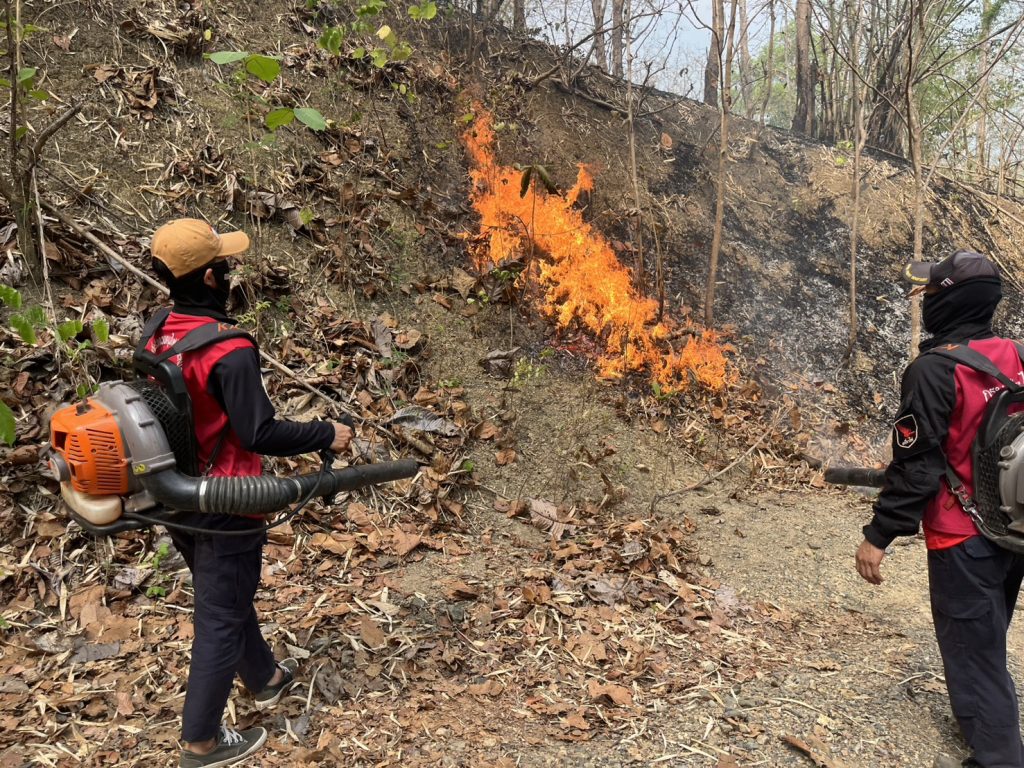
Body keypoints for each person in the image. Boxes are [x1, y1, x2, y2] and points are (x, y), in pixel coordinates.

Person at [144, 218, 354, 768]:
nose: (230, 272)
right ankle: (201, 742)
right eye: (225, 266)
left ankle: (263, 677)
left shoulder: (158, 330)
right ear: (210, 278)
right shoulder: (228, 349)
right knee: (219, 615)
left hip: (177, 492)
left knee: (226, 597)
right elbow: (259, 432)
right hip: (229, 501)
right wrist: (325, 433)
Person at [855, 249, 1024, 768]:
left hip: (962, 535)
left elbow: (917, 467)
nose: (925, 300)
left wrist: (879, 535)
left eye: (930, 291)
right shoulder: (1017, 355)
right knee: (985, 633)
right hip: (1013, 528)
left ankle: (997, 756)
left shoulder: (932, 371)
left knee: (974, 648)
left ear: (950, 300)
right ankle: (978, 719)